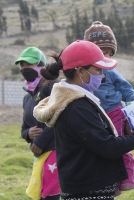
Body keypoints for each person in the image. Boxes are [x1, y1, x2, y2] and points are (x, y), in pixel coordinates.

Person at [33, 40, 134, 200]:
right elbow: (108, 147)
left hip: (88, 189)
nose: (102, 77)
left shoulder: (78, 102)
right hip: (88, 192)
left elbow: (97, 141)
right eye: (98, 70)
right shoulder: (76, 107)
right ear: (80, 71)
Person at [83, 21, 134, 195]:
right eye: (101, 53)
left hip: (114, 111)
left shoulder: (110, 71)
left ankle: (130, 175)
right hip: (96, 114)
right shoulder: (85, 73)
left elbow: (125, 88)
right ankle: (111, 182)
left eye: (108, 53)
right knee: (103, 149)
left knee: (118, 145)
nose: (104, 57)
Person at [15, 46, 60, 200]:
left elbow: (58, 115)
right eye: (22, 65)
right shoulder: (27, 98)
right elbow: (24, 128)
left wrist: (40, 140)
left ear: (41, 65)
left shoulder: (51, 86)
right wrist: (28, 133)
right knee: (39, 194)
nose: (24, 68)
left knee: (50, 195)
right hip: (39, 153)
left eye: (29, 64)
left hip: (55, 150)